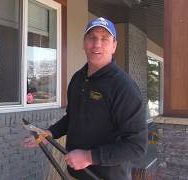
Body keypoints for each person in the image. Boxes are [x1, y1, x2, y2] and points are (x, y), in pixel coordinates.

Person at [22, 17, 148, 180]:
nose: (97, 44)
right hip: (74, 174)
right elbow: (72, 117)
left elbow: (137, 146)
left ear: (114, 46)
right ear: (84, 43)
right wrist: (49, 134)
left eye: (104, 39)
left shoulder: (124, 87)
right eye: (92, 37)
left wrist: (89, 157)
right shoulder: (78, 79)